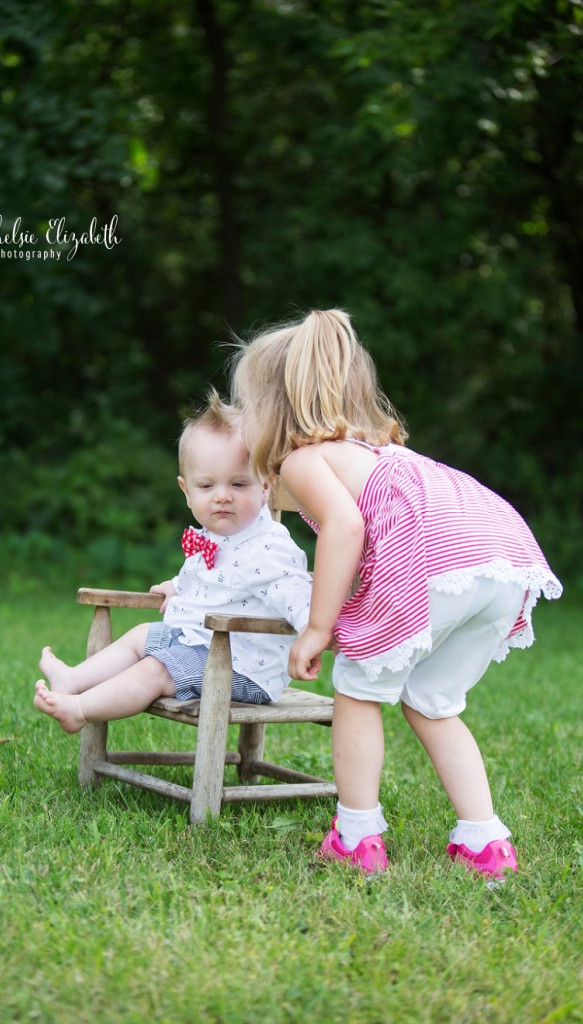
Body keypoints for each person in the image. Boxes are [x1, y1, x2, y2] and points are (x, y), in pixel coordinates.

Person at [232, 308, 562, 879]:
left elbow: (347, 531)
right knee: (433, 702)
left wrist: (317, 626)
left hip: (438, 563)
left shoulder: (306, 458)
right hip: (500, 558)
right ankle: (485, 842)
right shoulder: (373, 452)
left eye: (248, 409)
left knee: (357, 689)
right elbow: (375, 539)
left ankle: (357, 834)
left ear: (276, 409)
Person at [34, 390, 312, 733]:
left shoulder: (269, 548)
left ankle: (79, 709)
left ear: (266, 487)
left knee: (156, 668)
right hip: (199, 641)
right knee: (140, 636)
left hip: (244, 668)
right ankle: (73, 679)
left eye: (239, 483)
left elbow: (297, 593)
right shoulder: (212, 535)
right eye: (207, 485)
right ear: (186, 491)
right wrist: (178, 588)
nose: (222, 496)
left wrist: (314, 630)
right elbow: (214, 579)